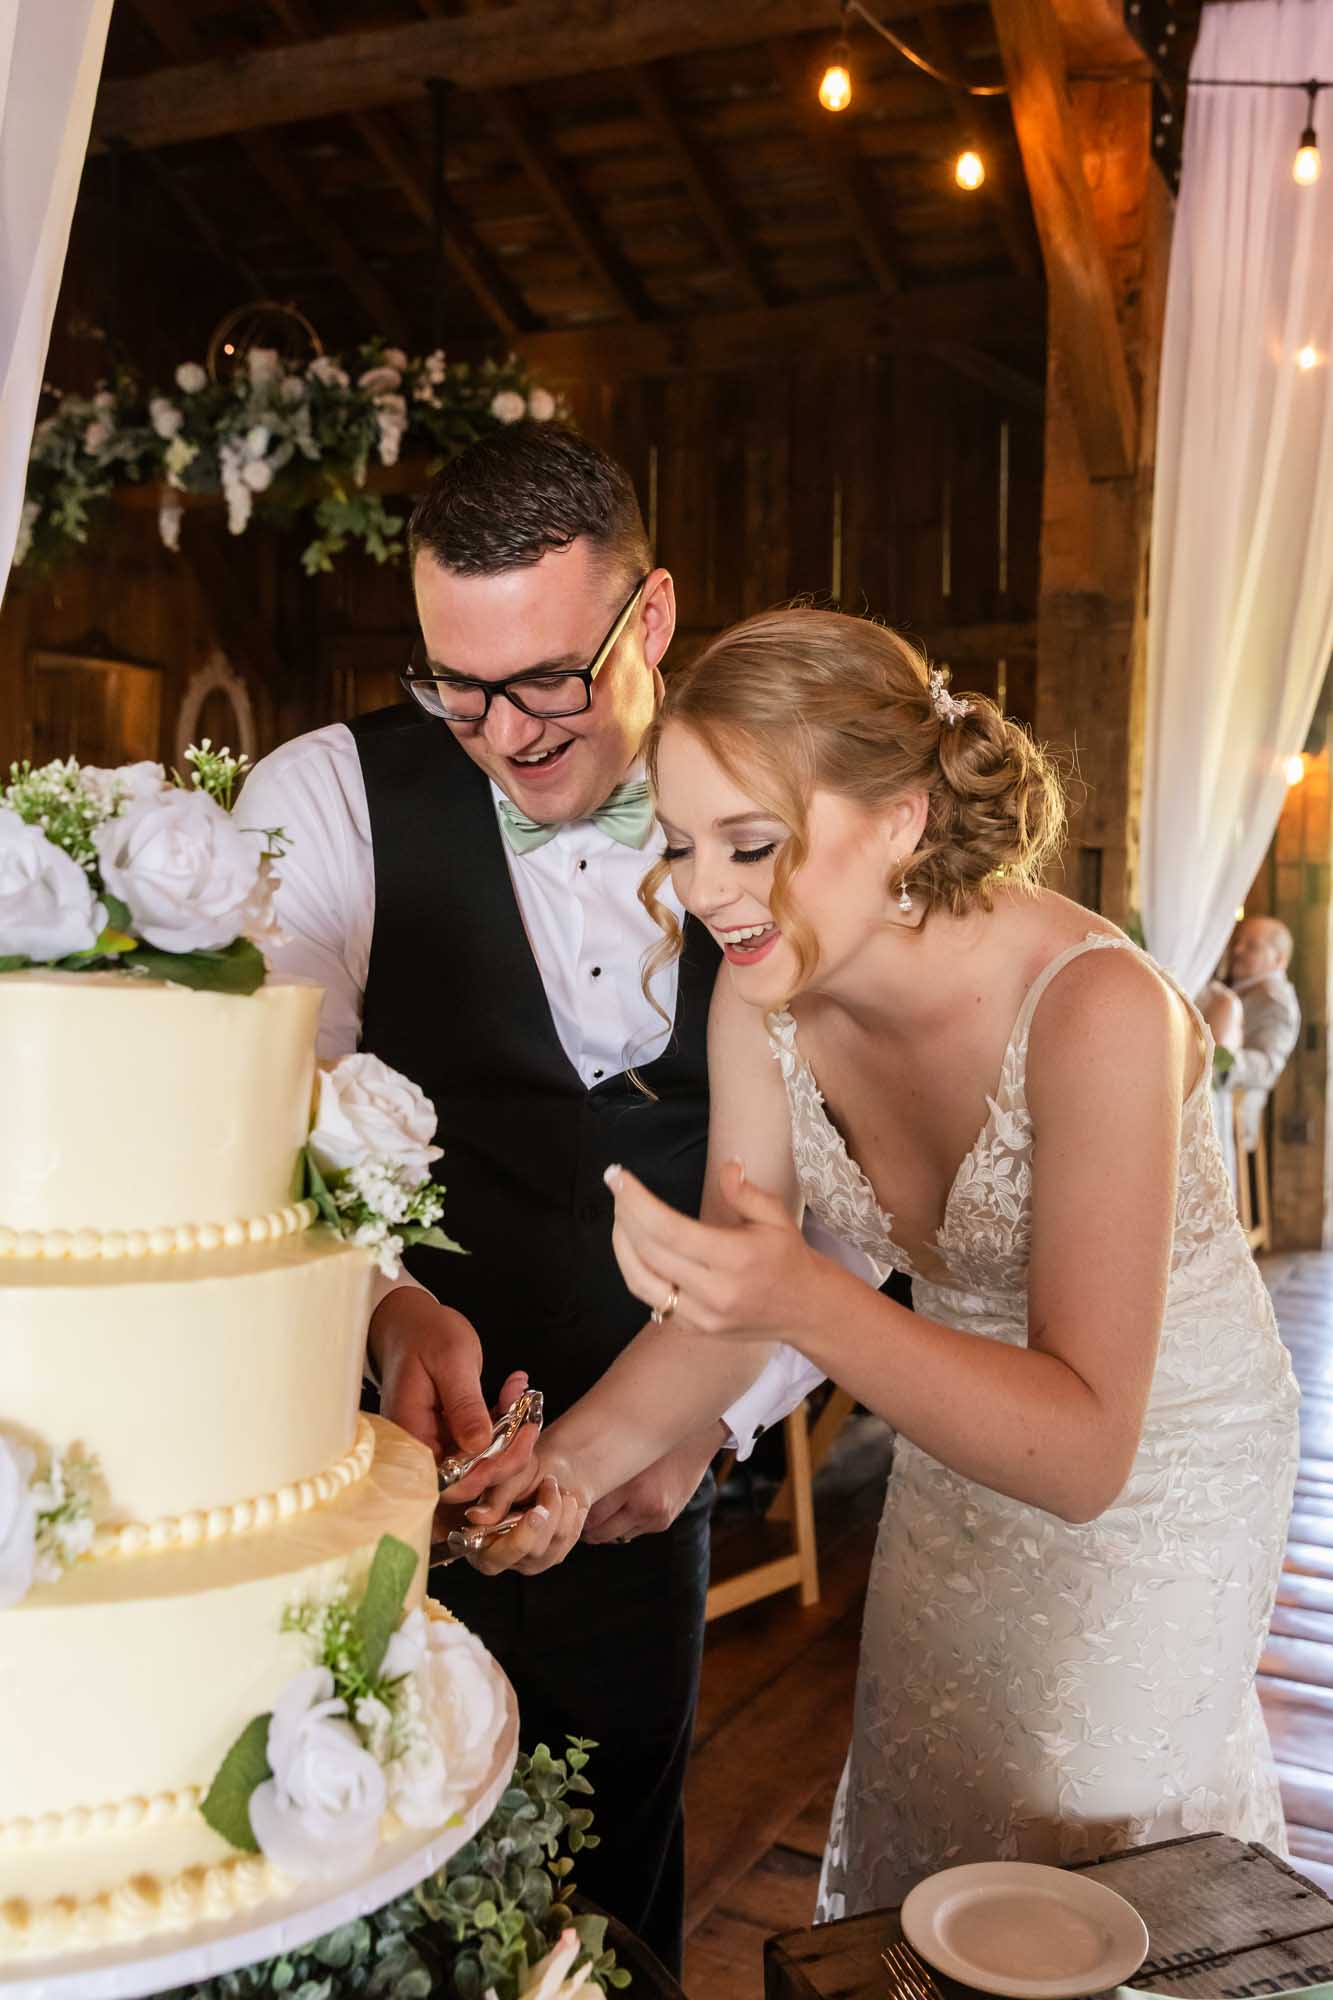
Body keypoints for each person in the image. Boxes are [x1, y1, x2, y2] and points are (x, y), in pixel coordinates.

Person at [467, 607, 1301, 1919]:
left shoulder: (1097, 1014)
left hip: (1154, 1462)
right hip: (951, 1427)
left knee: (1081, 1830)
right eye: (678, 846)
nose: (704, 890)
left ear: (904, 819)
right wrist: (565, 1473)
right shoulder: (761, 990)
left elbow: (1085, 1454)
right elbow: (741, 1302)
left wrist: (805, 1293)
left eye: (753, 844)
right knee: (942, 1792)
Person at [238, 424, 811, 1973]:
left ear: (657, 617)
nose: (501, 731)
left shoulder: (775, 814)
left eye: (549, 678)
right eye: (456, 684)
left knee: (605, 1877)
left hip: (651, 1463)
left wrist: (710, 1417)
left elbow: (841, 1188)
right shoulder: (331, 798)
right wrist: (383, 1306)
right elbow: (257, 1104)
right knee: (355, 1895)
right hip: (370, 1473)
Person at [1205, 915, 1302, 1151]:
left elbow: (1267, 1066)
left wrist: (1215, 1063)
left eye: (1251, 946)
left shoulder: (1274, 1000)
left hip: (1232, 1117)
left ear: (1278, 959)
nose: (1237, 949)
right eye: (1238, 941)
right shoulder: (1243, 988)